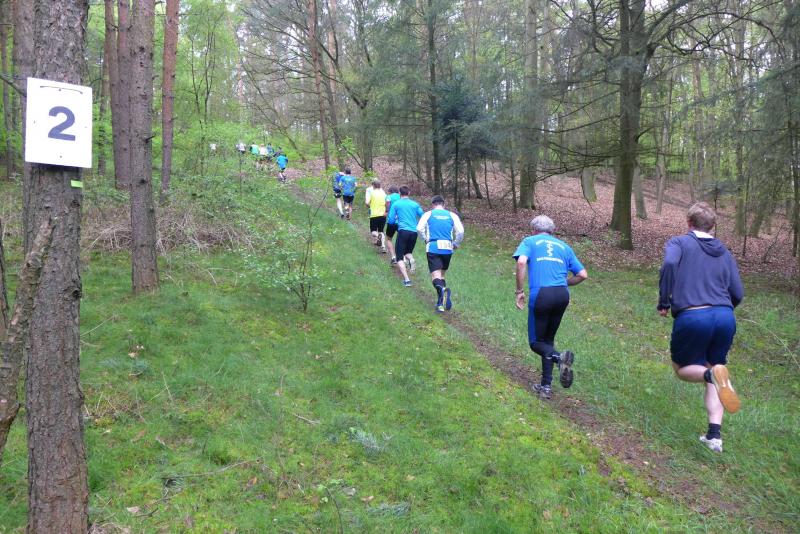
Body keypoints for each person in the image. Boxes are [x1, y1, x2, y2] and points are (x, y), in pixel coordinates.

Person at [658, 202, 743, 453]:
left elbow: (669, 264)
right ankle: (714, 436)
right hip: (725, 316)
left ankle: (711, 375)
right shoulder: (725, 252)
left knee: (684, 369)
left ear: (688, 222)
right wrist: (723, 309)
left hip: (694, 315)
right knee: (715, 367)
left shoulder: (679, 243)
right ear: (713, 226)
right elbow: (738, 292)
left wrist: (664, 301)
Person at [514, 215, 587, 400]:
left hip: (542, 294)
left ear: (533, 229)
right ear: (552, 230)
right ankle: (545, 386)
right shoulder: (564, 247)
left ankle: (559, 358)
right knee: (548, 341)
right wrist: (563, 283)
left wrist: (519, 291)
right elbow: (583, 275)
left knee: (536, 343)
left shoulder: (530, 241)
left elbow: (521, 262)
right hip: (562, 294)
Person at [417, 195, 464, 312]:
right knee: (442, 275)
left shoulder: (428, 214)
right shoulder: (452, 215)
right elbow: (460, 231)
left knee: (435, 276)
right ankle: (440, 303)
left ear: (433, 204)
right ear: (444, 204)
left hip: (433, 247)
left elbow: (419, 228)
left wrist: (424, 239)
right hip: (448, 247)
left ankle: (442, 290)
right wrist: (456, 243)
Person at [387, 186, 423, 287]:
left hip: (403, 231)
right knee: (408, 252)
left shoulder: (396, 204)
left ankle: (407, 280)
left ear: (400, 193)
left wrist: (393, 223)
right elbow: (422, 215)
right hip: (414, 232)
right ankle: (411, 259)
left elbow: (391, 220)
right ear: (409, 193)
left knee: (399, 257)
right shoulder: (415, 204)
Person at [366, 180, 388, 252]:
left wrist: (369, 206)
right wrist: (386, 211)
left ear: (373, 186)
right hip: (383, 215)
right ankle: (383, 247)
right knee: (381, 230)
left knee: (373, 231)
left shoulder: (372, 193)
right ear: (380, 185)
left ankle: (378, 236)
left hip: (374, 215)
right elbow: (387, 203)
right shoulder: (384, 193)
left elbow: (367, 203)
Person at [384, 186, 400, 263]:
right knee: (401, 240)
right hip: (400, 221)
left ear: (390, 191)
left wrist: (387, 210)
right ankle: (403, 258)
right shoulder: (401, 196)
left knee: (388, 239)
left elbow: (387, 202)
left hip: (392, 221)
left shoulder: (389, 196)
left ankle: (393, 257)